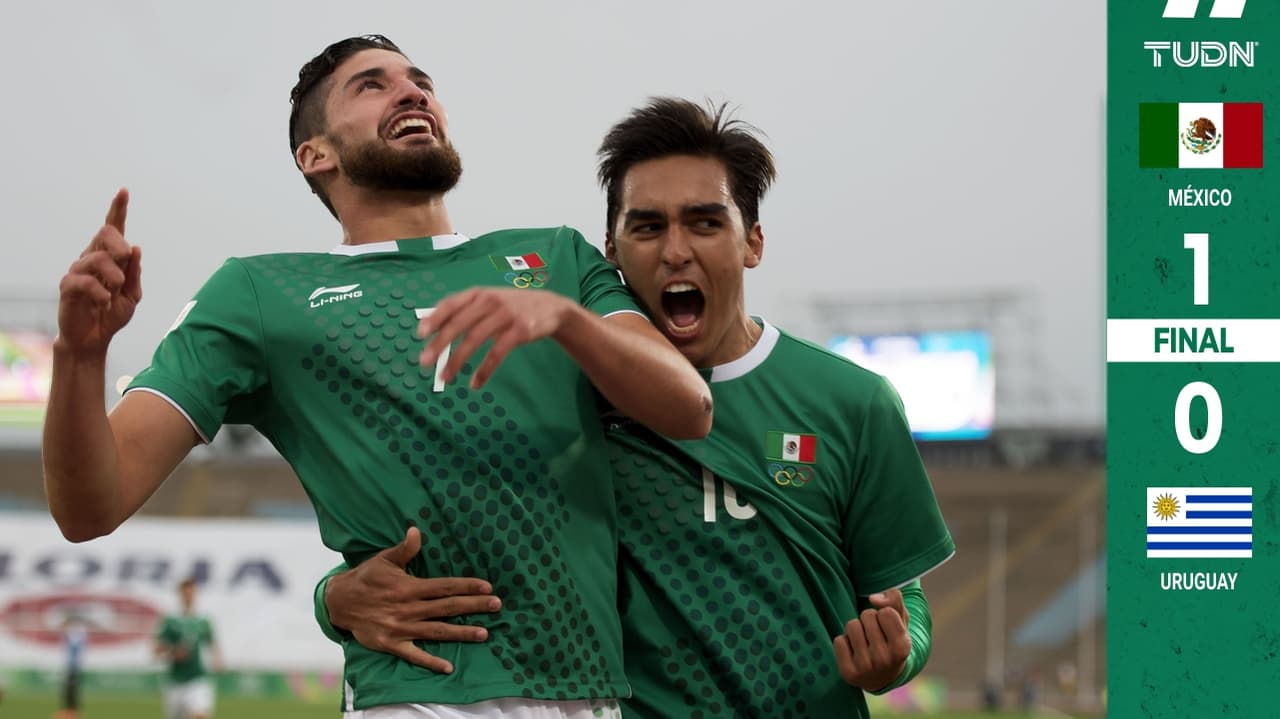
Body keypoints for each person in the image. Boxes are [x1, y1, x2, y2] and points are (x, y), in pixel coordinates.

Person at [42, 34, 712, 719]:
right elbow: (89, 507)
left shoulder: (557, 259)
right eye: (373, 85)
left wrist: (568, 320)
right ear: (317, 154)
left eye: (420, 80)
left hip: (588, 691)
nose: (412, 90)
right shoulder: (260, 291)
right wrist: (79, 356)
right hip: (416, 695)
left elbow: (689, 406)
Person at [317, 98, 955, 718]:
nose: (675, 250)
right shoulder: (558, 401)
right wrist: (333, 599)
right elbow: (440, 550)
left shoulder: (852, 400)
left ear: (752, 242)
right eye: (647, 227)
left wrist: (896, 657)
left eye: (705, 222)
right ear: (611, 251)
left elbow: (903, 597)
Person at [154, 578, 221, 719]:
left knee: (199, 715)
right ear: (180, 595)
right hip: (176, 682)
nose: (188, 596)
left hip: (197, 679)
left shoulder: (203, 621)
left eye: (191, 593)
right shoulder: (170, 621)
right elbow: (157, 650)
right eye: (185, 593)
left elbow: (212, 643)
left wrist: (218, 660)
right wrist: (174, 652)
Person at [54, 615, 88, 719]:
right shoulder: (75, 635)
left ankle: (72, 711)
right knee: (68, 688)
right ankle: (70, 710)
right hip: (71, 665)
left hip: (74, 666)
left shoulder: (77, 635)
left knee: (71, 689)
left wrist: (65, 629)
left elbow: (73, 643)